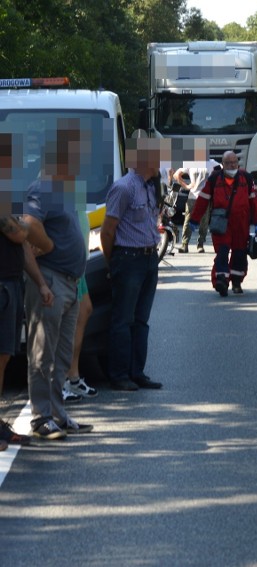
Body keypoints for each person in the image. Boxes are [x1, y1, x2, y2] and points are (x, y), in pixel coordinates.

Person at [22, 122, 94, 439]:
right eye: (77, 154)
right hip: (50, 281)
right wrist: (49, 251)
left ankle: (57, 414)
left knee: (62, 355)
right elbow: (28, 226)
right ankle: (40, 418)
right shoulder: (43, 187)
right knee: (43, 353)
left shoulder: (63, 187)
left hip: (69, 282)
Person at [100, 138, 163, 391]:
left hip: (149, 259)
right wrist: (112, 263)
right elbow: (107, 230)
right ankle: (119, 375)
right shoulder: (123, 188)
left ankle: (137, 372)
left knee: (141, 320)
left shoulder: (150, 187)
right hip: (128, 259)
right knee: (123, 319)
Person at [189, 151, 257, 296]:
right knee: (222, 252)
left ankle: (236, 282)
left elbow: (253, 201)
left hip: (241, 222)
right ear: (222, 164)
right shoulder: (215, 178)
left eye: (234, 162)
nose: (232, 165)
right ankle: (221, 280)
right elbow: (202, 200)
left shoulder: (246, 178)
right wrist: (194, 219)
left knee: (239, 254)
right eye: (228, 162)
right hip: (221, 221)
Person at [0, 214, 35, 448]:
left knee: (3, 357)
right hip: (2, 287)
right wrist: (26, 223)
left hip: (10, 283)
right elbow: (20, 233)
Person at [63, 207, 98, 400]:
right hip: (66, 264)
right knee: (62, 322)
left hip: (78, 263)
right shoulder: (53, 186)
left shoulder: (71, 187)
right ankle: (59, 381)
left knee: (84, 311)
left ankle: (72, 377)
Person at [177, 159, 218, 254]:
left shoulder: (211, 163)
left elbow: (224, 170)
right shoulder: (190, 163)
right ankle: (184, 244)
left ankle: (200, 244)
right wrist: (186, 186)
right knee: (188, 220)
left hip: (206, 197)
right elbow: (177, 174)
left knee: (204, 221)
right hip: (193, 197)